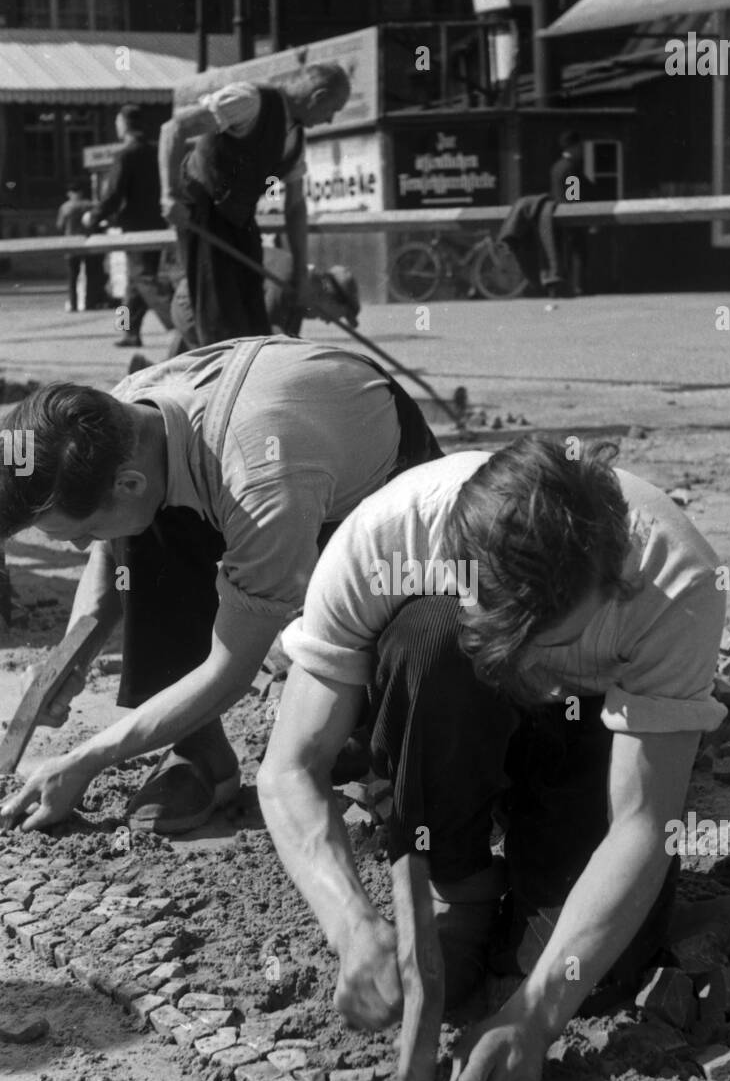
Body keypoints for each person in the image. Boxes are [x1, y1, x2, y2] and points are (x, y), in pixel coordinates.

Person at [256, 436, 727, 1081]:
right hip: (451, 708)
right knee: (429, 637)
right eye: (506, 629)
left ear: (612, 582)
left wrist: (532, 1019)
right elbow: (289, 767)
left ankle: (531, 867)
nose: (528, 659)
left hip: (594, 727)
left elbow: (640, 826)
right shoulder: (388, 535)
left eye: (552, 637)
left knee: (596, 975)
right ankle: (465, 889)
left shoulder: (674, 580)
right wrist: (351, 926)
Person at [0, 335, 441, 836]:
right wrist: (71, 656)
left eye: (79, 533)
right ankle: (200, 752)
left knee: (386, 710)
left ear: (127, 485)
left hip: (378, 487)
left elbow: (229, 670)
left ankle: (366, 703)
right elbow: (111, 554)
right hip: (266, 456)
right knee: (139, 529)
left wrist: (86, 758)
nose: (80, 548)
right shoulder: (120, 417)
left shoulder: (262, 481)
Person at [158, 64, 350, 349]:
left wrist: (299, 270)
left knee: (253, 319)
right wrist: (169, 195)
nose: (330, 120)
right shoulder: (250, 100)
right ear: (317, 97)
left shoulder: (295, 140)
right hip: (202, 208)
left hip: (240, 218)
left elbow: (295, 206)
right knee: (218, 317)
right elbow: (174, 128)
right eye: (332, 110)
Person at [83, 104, 170, 349]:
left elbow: (114, 193)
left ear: (124, 125)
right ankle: (129, 333)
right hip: (158, 223)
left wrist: (95, 215)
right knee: (135, 282)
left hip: (135, 228)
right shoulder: (157, 151)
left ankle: (180, 325)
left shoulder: (126, 154)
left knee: (143, 278)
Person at [549, 131, 591, 297]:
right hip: (571, 216)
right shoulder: (571, 167)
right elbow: (573, 194)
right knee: (578, 252)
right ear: (573, 147)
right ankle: (578, 287)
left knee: (563, 253)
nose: (581, 150)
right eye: (579, 146)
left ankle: (562, 288)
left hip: (558, 215)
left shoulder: (557, 166)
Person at [56, 182, 104, 313]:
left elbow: (60, 225)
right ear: (81, 192)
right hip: (88, 243)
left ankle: (73, 304)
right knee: (91, 274)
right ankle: (90, 302)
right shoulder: (91, 205)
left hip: (71, 244)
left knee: (72, 276)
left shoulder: (65, 207)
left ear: (69, 193)